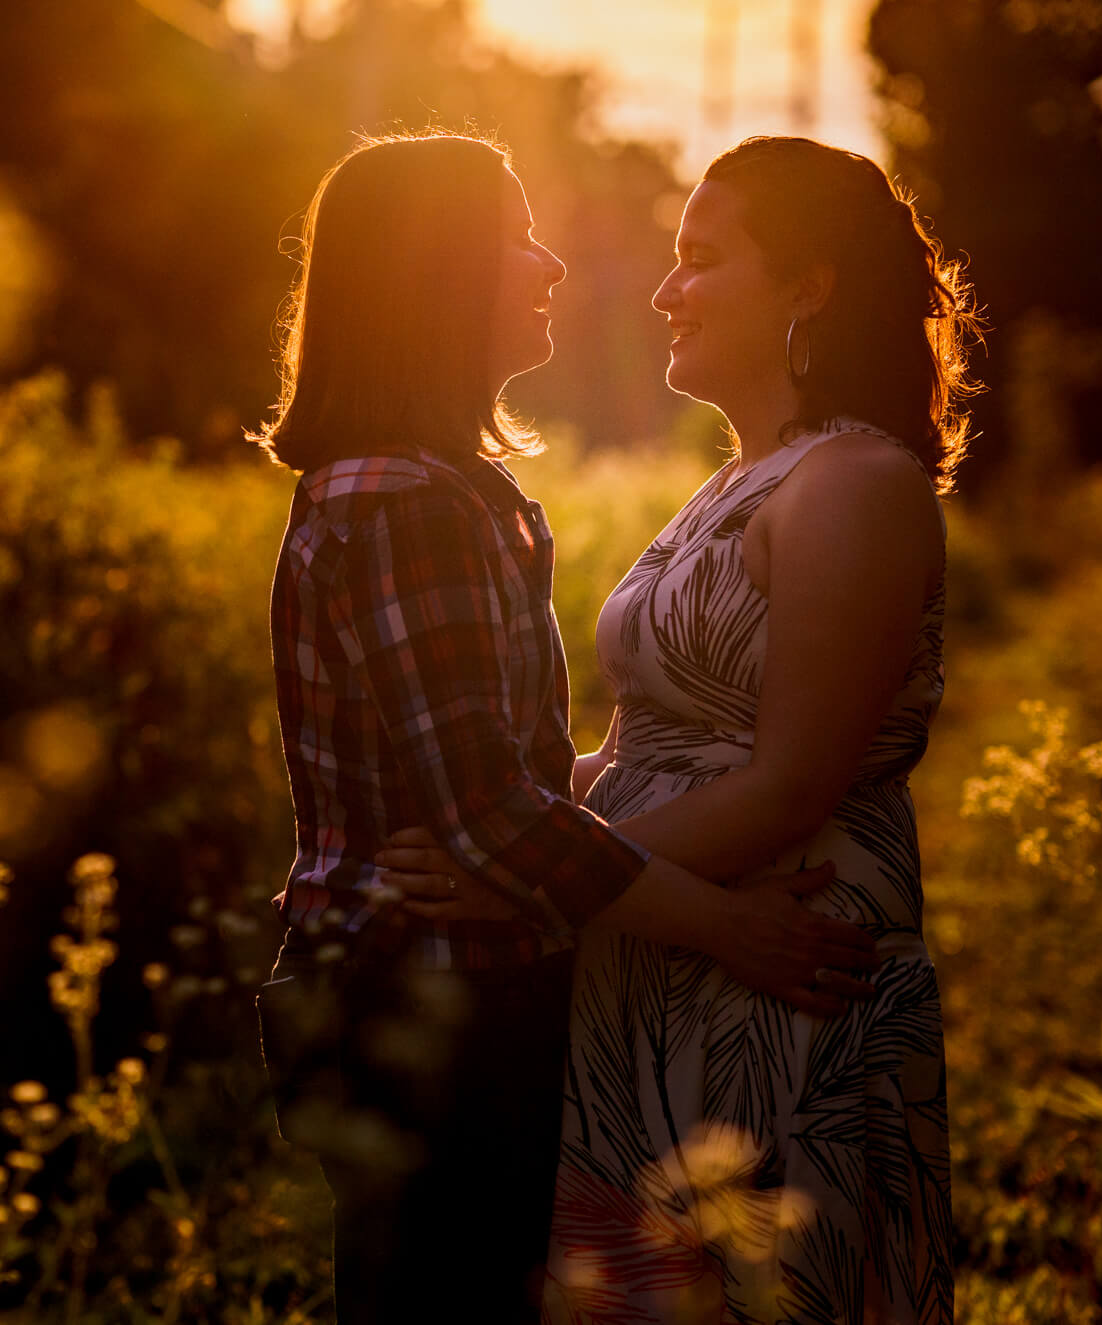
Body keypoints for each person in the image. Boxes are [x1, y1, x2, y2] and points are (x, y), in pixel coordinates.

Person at [251, 131, 882, 1325]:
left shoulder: (435, 487)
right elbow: (487, 810)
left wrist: (567, 797)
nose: (548, 267)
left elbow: (495, 783)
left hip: (448, 998)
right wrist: (723, 927)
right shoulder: (402, 501)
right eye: (512, 240)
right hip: (429, 1010)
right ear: (436, 276)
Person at [384, 135, 976, 1322]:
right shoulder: (740, 479)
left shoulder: (855, 484)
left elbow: (786, 787)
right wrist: (500, 812)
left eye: (700, 260)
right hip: (664, 949)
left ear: (806, 284)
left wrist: (534, 883)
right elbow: (647, 748)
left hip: (774, 966)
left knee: (759, 1288)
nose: (663, 292)